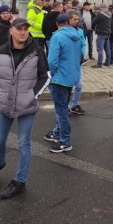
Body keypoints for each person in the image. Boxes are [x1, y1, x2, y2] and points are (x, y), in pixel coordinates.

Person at [0, 17, 50, 200]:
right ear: (11, 31)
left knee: (24, 143)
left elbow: (45, 77)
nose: (23, 32)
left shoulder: (36, 51)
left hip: (26, 106)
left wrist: (31, 96)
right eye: (19, 29)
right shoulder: (1, 51)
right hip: (5, 104)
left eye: (25, 29)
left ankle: (20, 181)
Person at [44, 13, 82, 153]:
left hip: (59, 79)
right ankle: (57, 132)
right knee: (63, 107)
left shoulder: (57, 37)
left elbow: (52, 61)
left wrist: (49, 76)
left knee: (61, 111)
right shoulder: (76, 36)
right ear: (68, 22)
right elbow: (80, 56)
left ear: (56, 24)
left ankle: (65, 141)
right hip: (71, 76)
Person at [67, 10, 87, 115]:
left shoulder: (80, 31)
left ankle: (75, 105)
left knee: (79, 85)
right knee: (68, 86)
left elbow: (83, 44)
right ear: (68, 20)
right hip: (68, 63)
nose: (76, 21)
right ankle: (66, 107)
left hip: (78, 62)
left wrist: (82, 54)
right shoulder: (65, 31)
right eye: (74, 19)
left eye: (77, 19)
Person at [92, 3, 112, 68]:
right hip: (108, 33)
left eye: (100, 8)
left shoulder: (100, 14)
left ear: (101, 8)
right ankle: (108, 62)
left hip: (101, 33)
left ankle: (99, 64)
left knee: (100, 49)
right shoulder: (110, 14)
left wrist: (93, 28)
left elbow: (94, 22)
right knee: (107, 48)